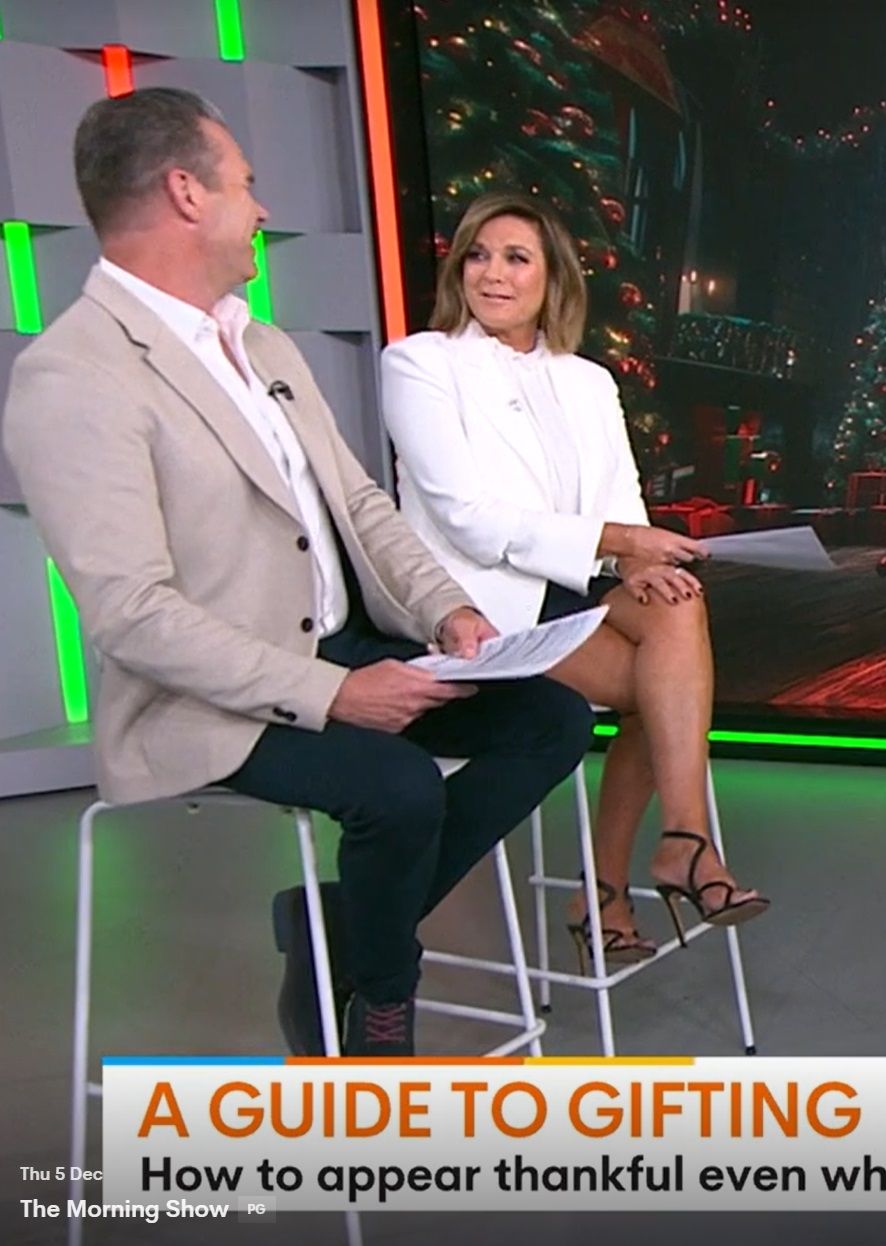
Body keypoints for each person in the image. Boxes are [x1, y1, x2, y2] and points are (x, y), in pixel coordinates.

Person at [2, 90, 594, 1057]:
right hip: (204, 697)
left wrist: (446, 610)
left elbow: (360, 504)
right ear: (186, 193)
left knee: (552, 721)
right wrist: (334, 696)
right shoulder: (75, 373)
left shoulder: (261, 342)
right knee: (398, 788)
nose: (262, 208)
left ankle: (339, 929)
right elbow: (131, 613)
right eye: (245, 184)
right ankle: (379, 1008)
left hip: (340, 644)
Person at [380, 191, 766, 971]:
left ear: (552, 277)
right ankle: (645, 868)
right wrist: (621, 543)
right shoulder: (420, 363)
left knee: (677, 608)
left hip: (578, 584)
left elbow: (620, 501)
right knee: (666, 689)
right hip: (483, 603)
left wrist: (638, 561)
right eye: (478, 256)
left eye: (516, 258)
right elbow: (467, 518)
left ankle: (668, 849)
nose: (492, 273)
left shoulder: (588, 381)